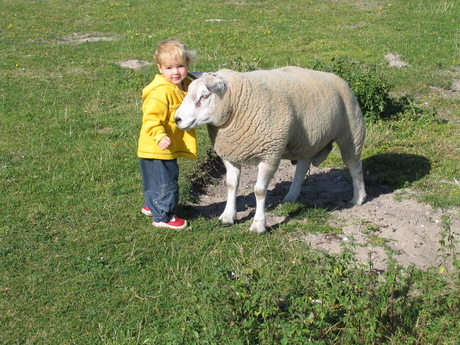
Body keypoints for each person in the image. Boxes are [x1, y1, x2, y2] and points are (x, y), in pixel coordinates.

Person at [137, 38, 197, 229]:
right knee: (166, 180)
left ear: (187, 64)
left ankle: (151, 204)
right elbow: (151, 119)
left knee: (155, 178)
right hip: (159, 145)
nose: (175, 72)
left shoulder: (185, 84)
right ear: (160, 68)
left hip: (158, 146)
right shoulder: (161, 93)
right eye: (169, 68)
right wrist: (160, 136)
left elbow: (194, 83)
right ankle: (163, 216)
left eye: (180, 66)